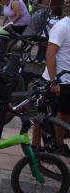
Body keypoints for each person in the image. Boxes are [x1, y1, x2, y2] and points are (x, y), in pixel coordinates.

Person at [37, 16, 70, 156]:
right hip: (57, 81)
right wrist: (54, 80)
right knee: (41, 115)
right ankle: (35, 147)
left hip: (68, 82)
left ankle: (59, 144)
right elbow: (50, 53)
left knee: (64, 115)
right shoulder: (63, 26)